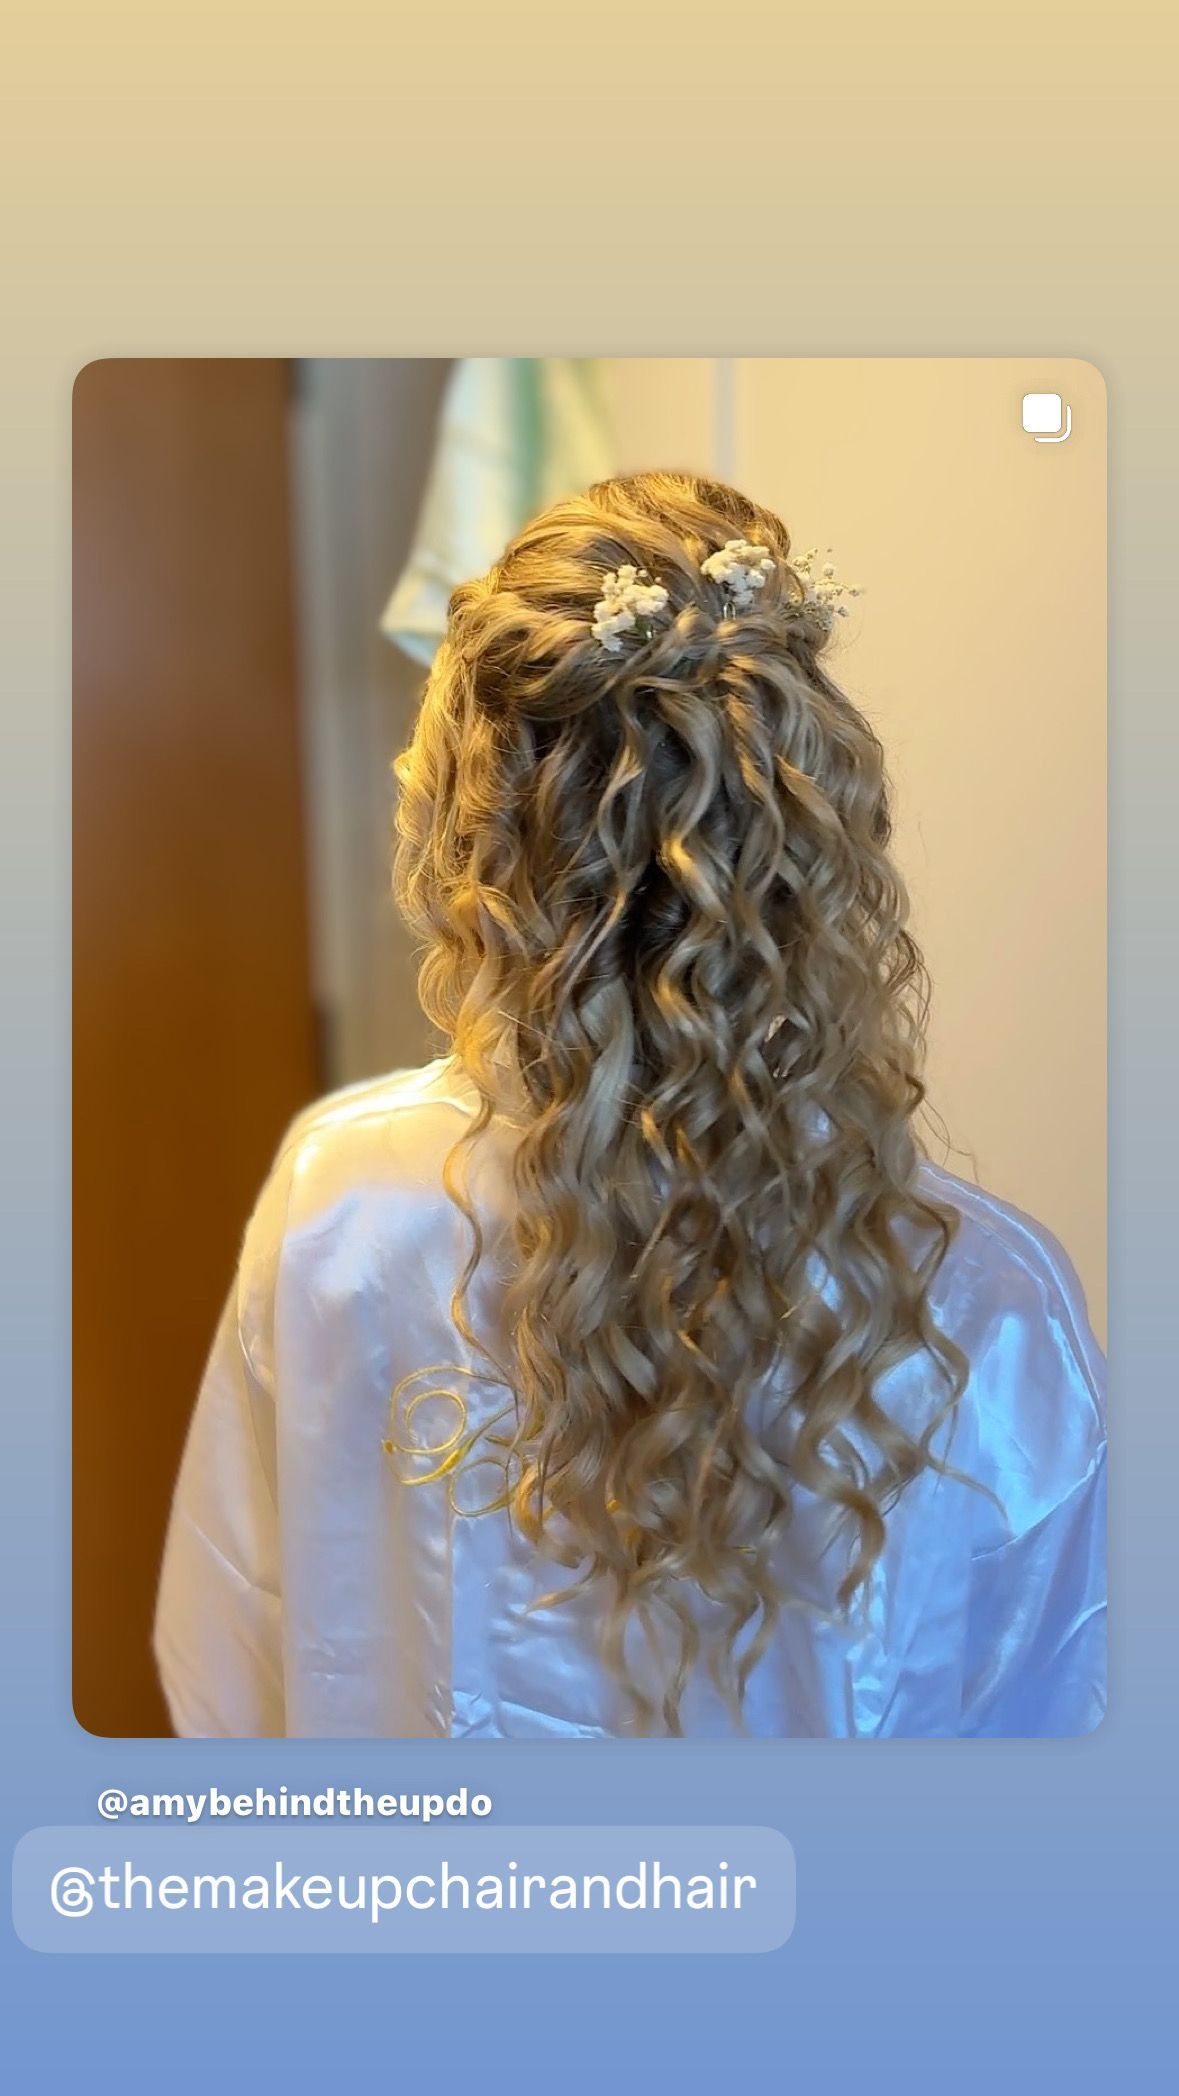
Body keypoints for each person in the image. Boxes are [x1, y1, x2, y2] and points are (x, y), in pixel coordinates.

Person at [153, 469, 1106, 1740]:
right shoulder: (988, 1304)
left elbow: (228, 1672)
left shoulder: (344, 1205)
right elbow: (1064, 1745)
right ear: (810, 840)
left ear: (466, 833)